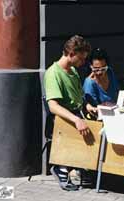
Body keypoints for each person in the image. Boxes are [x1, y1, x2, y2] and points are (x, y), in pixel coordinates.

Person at [44, 35, 97, 191]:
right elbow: (53, 106)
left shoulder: (73, 70)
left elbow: (79, 97)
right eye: (81, 59)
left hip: (77, 113)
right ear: (71, 54)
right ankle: (61, 167)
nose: (83, 63)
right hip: (61, 118)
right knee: (87, 131)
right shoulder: (53, 73)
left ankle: (82, 167)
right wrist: (76, 120)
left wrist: (88, 107)